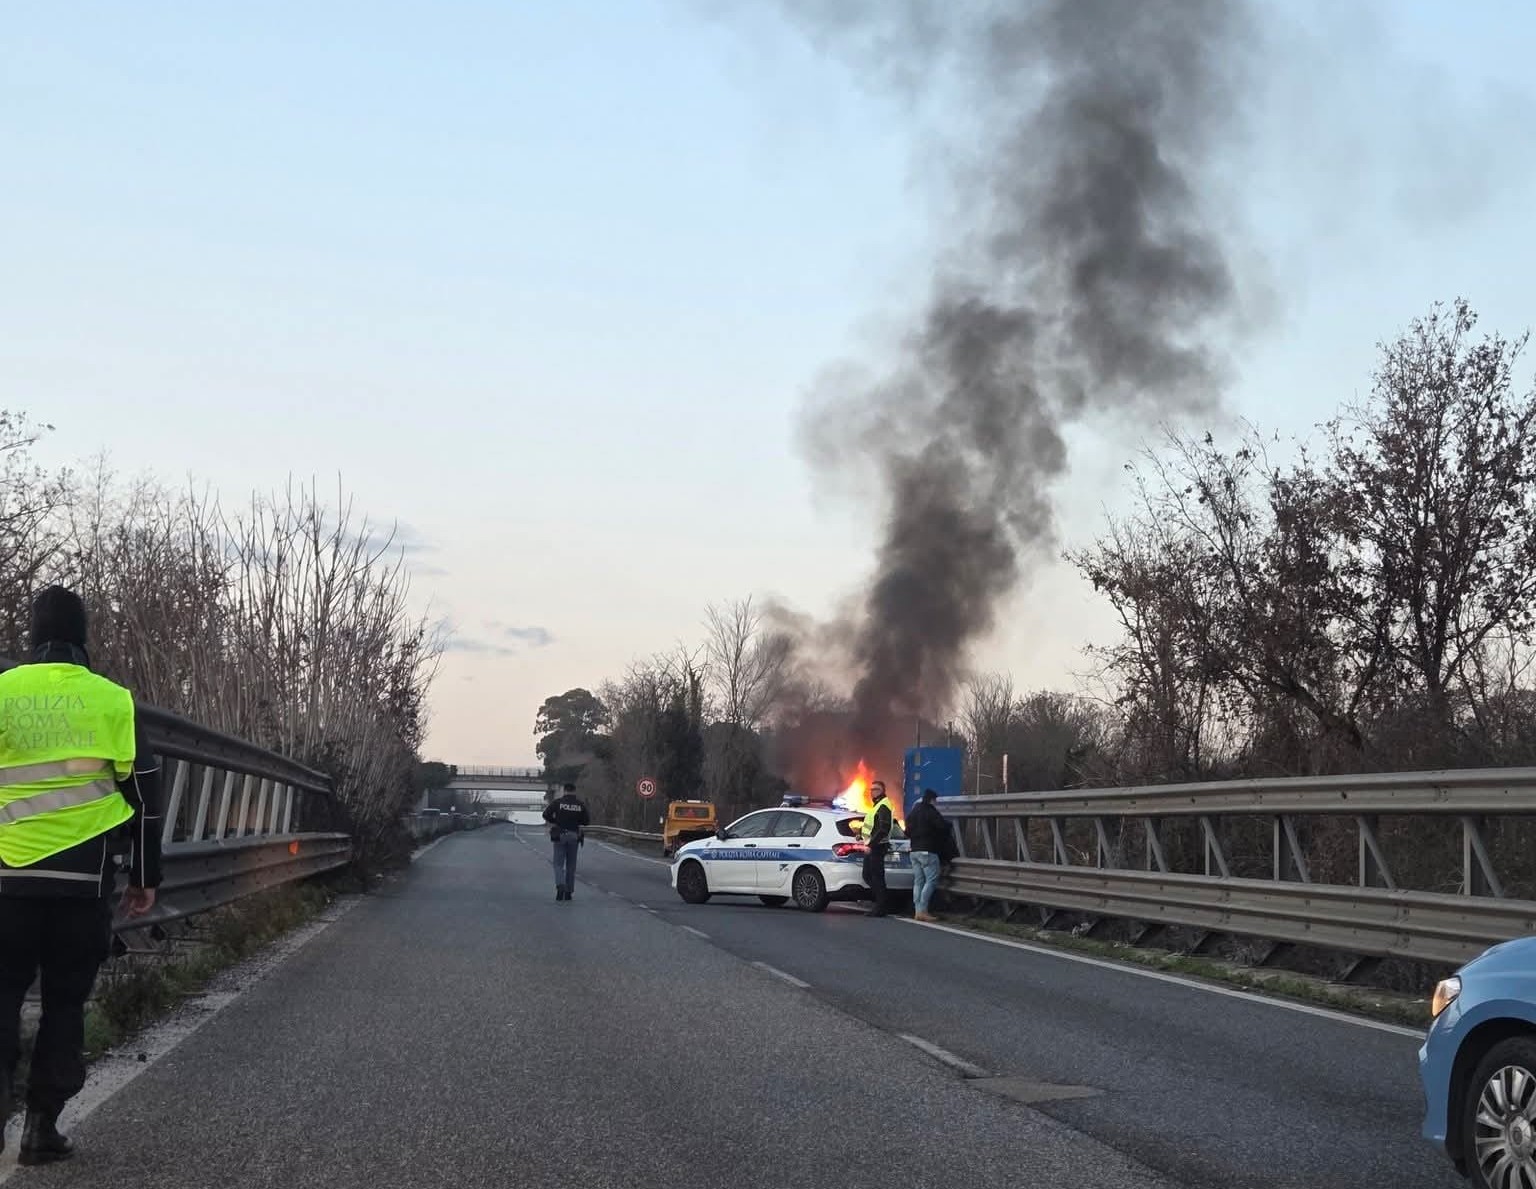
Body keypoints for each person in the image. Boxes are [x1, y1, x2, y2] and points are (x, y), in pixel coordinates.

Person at [0, 587, 161, 1165]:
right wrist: (145, 874)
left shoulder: (2, 692)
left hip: (7, 880)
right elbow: (144, 795)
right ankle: (41, 1129)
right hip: (82, 883)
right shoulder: (112, 700)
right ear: (84, 638)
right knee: (65, 1003)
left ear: (32, 637)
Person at [905, 788, 952, 923]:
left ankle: (917, 910)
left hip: (914, 851)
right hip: (928, 851)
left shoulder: (914, 811)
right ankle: (923, 910)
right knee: (931, 880)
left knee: (918, 881)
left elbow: (907, 831)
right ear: (932, 800)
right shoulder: (931, 811)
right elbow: (942, 826)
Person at [542, 782, 589, 902]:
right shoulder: (580, 805)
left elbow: (545, 814)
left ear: (564, 790)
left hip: (560, 835)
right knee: (571, 865)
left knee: (558, 864)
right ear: (574, 791)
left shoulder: (557, 803)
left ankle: (560, 885)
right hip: (574, 836)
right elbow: (586, 821)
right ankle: (568, 892)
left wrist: (556, 821)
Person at [860, 780, 896, 918]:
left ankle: (881, 907)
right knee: (868, 875)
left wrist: (871, 844)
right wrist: (860, 835)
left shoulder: (883, 806)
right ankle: (881, 904)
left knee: (876, 877)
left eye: (876, 789)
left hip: (877, 847)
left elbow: (883, 828)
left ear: (883, 791)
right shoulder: (877, 806)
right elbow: (874, 827)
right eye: (872, 789)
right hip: (873, 846)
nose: (873, 791)